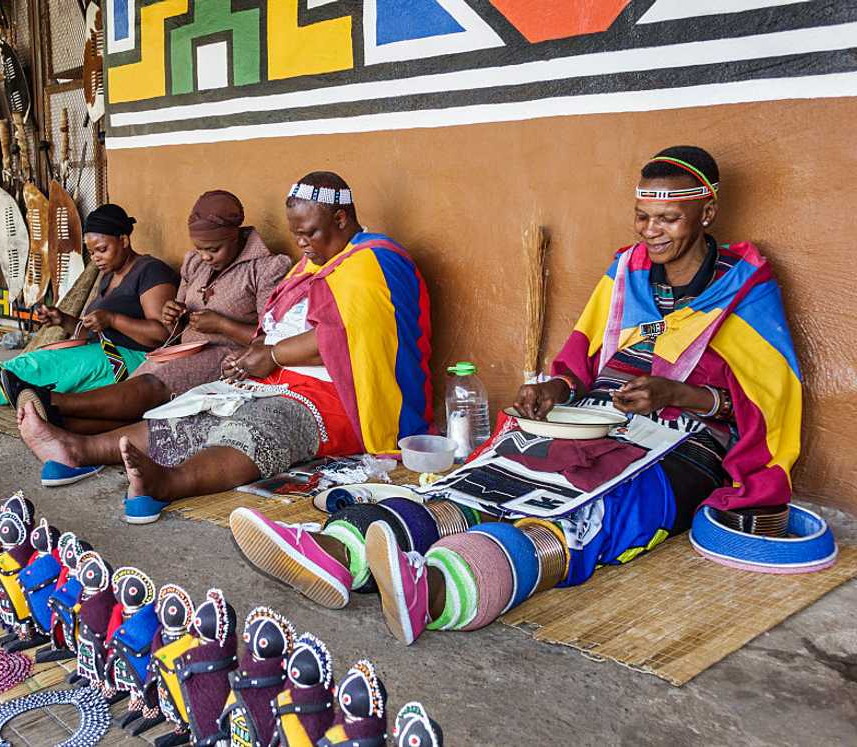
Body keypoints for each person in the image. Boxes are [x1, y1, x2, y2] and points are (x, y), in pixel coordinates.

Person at [230, 146, 803, 645]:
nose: (651, 232)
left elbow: (763, 404)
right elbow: (581, 358)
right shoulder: (626, 270)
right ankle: (339, 554)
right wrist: (556, 387)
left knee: (593, 511)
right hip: (604, 414)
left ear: (707, 213)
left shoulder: (746, 286)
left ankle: (432, 591)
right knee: (494, 471)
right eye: (642, 217)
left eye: (669, 219)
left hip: (686, 440)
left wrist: (679, 393)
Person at [18, 171, 433, 523]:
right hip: (279, 377)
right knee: (197, 410)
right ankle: (78, 449)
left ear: (342, 219)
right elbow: (274, 328)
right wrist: (254, 358)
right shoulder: (317, 263)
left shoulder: (376, 262)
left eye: (309, 234)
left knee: (262, 426)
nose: (301, 245)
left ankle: (166, 483)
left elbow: (343, 339)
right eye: (296, 235)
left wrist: (268, 355)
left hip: (341, 396)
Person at [14, 190, 292, 435]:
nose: (206, 257)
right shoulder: (196, 263)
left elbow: (271, 340)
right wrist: (175, 312)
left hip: (227, 357)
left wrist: (221, 324)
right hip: (183, 349)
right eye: (200, 249)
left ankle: (54, 403)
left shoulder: (265, 269)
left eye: (214, 249)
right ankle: (60, 427)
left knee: (152, 385)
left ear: (235, 235)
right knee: (135, 392)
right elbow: (172, 323)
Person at [0, 204, 178, 406]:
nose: (97, 258)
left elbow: (161, 336)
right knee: (30, 383)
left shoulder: (150, 271)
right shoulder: (108, 278)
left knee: (35, 366)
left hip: (131, 361)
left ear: (124, 240)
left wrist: (113, 320)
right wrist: (62, 319)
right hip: (101, 351)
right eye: (92, 252)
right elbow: (86, 331)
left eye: (102, 249)